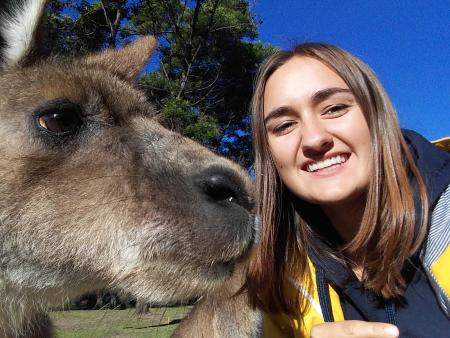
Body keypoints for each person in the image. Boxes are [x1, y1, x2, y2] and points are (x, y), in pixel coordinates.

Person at [245, 43, 450, 337]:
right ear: (270, 156)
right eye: (285, 125)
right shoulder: (282, 279)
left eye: (335, 108)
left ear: (376, 115)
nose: (314, 139)